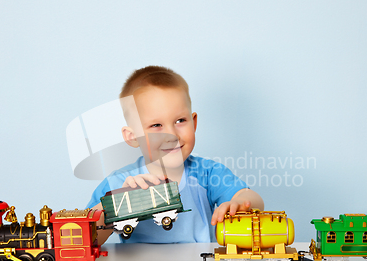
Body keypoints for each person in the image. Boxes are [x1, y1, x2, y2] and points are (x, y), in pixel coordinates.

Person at [87, 66, 264, 244]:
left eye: (180, 121)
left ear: (193, 123)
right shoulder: (117, 183)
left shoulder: (208, 173)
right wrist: (114, 205)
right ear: (132, 136)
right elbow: (89, 238)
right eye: (156, 125)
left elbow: (253, 199)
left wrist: (242, 204)